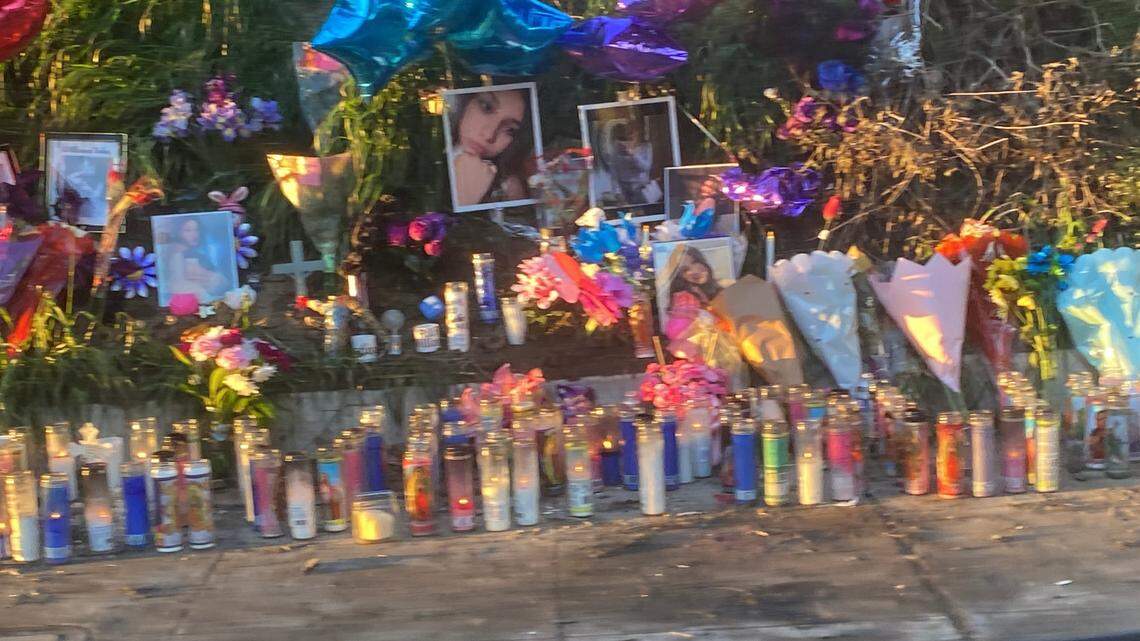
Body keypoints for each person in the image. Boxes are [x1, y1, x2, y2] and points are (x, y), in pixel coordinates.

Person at [449, 89, 533, 207]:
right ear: (466, 102)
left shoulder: (508, 189)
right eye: (486, 107)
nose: (489, 135)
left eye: (510, 130)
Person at [663, 245, 725, 339]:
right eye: (685, 270)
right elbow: (678, 332)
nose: (694, 271)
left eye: (695, 263)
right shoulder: (685, 299)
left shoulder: (721, 289)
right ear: (681, 277)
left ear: (702, 262)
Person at [597, 117, 661, 207]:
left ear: (638, 133)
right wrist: (617, 193)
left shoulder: (645, 147)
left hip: (642, 188)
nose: (630, 136)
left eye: (632, 132)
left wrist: (634, 155)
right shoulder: (617, 148)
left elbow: (645, 167)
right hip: (624, 189)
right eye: (627, 132)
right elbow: (614, 171)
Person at [165, 217, 227, 302]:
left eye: (197, 230)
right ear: (178, 233)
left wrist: (215, 279)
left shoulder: (197, 255)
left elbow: (221, 282)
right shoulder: (177, 254)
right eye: (188, 230)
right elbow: (176, 283)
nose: (194, 235)